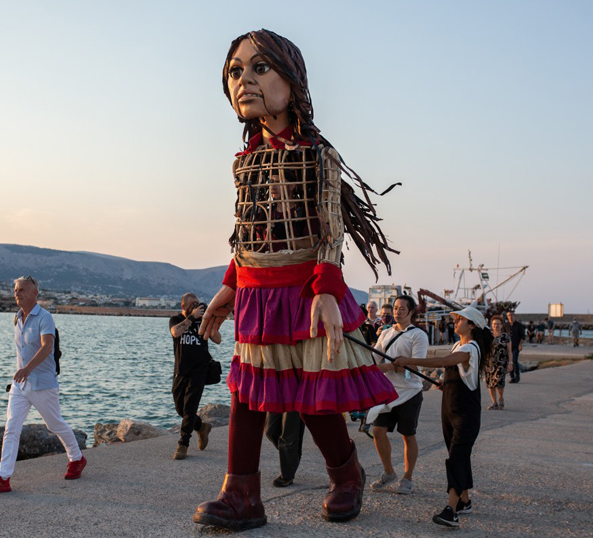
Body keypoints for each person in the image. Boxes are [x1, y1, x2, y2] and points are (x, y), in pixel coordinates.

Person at [192, 29, 398, 531]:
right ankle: (241, 494)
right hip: (256, 295)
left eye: (260, 68)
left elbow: (331, 229)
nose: (245, 81)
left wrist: (326, 290)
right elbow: (245, 233)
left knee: (313, 395)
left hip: (305, 293)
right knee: (246, 393)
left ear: (292, 81)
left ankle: (347, 476)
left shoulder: (316, 155)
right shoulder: (245, 163)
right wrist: (230, 285)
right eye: (236, 71)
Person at [0, 276, 85, 493]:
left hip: (43, 384)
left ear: (35, 293)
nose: (17, 293)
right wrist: (22, 373)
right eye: (16, 290)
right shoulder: (17, 318)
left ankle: (77, 458)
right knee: (11, 428)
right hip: (20, 386)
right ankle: (3, 477)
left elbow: (47, 347)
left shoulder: (45, 318)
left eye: (22, 290)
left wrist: (28, 369)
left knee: (54, 425)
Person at [395, 306, 492, 528]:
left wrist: (409, 360)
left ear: (472, 325)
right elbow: (455, 371)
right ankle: (465, 501)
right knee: (458, 454)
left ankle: (451, 510)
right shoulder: (458, 344)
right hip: (449, 407)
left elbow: (444, 362)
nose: (455, 322)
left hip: (466, 413)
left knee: (456, 457)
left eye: (460, 319)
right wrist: (444, 383)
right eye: (455, 319)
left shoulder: (472, 348)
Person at [366, 296, 428, 495]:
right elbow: (373, 361)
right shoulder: (386, 333)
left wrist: (391, 366)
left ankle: (407, 478)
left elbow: (417, 365)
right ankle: (388, 472)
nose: (398, 312)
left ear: (411, 312)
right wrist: (390, 366)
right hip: (388, 391)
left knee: (408, 435)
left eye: (402, 308)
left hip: (410, 392)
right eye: (395, 308)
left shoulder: (418, 335)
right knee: (377, 431)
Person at [170, 293, 221, 460]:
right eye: (192, 304)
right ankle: (202, 427)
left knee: (190, 408)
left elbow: (218, 339)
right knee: (181, 409)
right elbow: (176, 333)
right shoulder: (177, 319)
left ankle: (183, 444)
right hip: (181, 370)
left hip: (200, 370)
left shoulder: (203, 321)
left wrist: (209, 321)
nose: (196, 306)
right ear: (184, 307)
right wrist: (192, 317)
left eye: (197, 303)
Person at [264, 411, 305, 487]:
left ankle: (287, 476)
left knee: (289, 433)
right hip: (276, 398)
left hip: (294, 399)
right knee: (270, 430)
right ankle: (293, 455)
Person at [485, 315, 513, 410]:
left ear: (501, 325)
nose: (496, 326)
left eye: (497, 324)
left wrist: (510, 362)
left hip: (501, 363)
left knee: (499, 382)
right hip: (489, 363)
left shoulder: (505, 336)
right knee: (490, 383)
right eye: (494, 324)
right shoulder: (488, 336)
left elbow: (509, 351)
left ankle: (501, 398)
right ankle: (494, 403)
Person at [505, 311, 525, 383]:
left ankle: (517, 376)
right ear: (507, 317)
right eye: (509, 315)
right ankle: (512, 377)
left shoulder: (519, 325)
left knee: (514, 360)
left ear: (514, 316)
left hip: (516, 346)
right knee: (509, 362)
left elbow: (522, 336)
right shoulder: (506, 325)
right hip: (508, 347)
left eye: (511, 315)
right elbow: (503, 335)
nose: (510, 316)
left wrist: (520, 345)